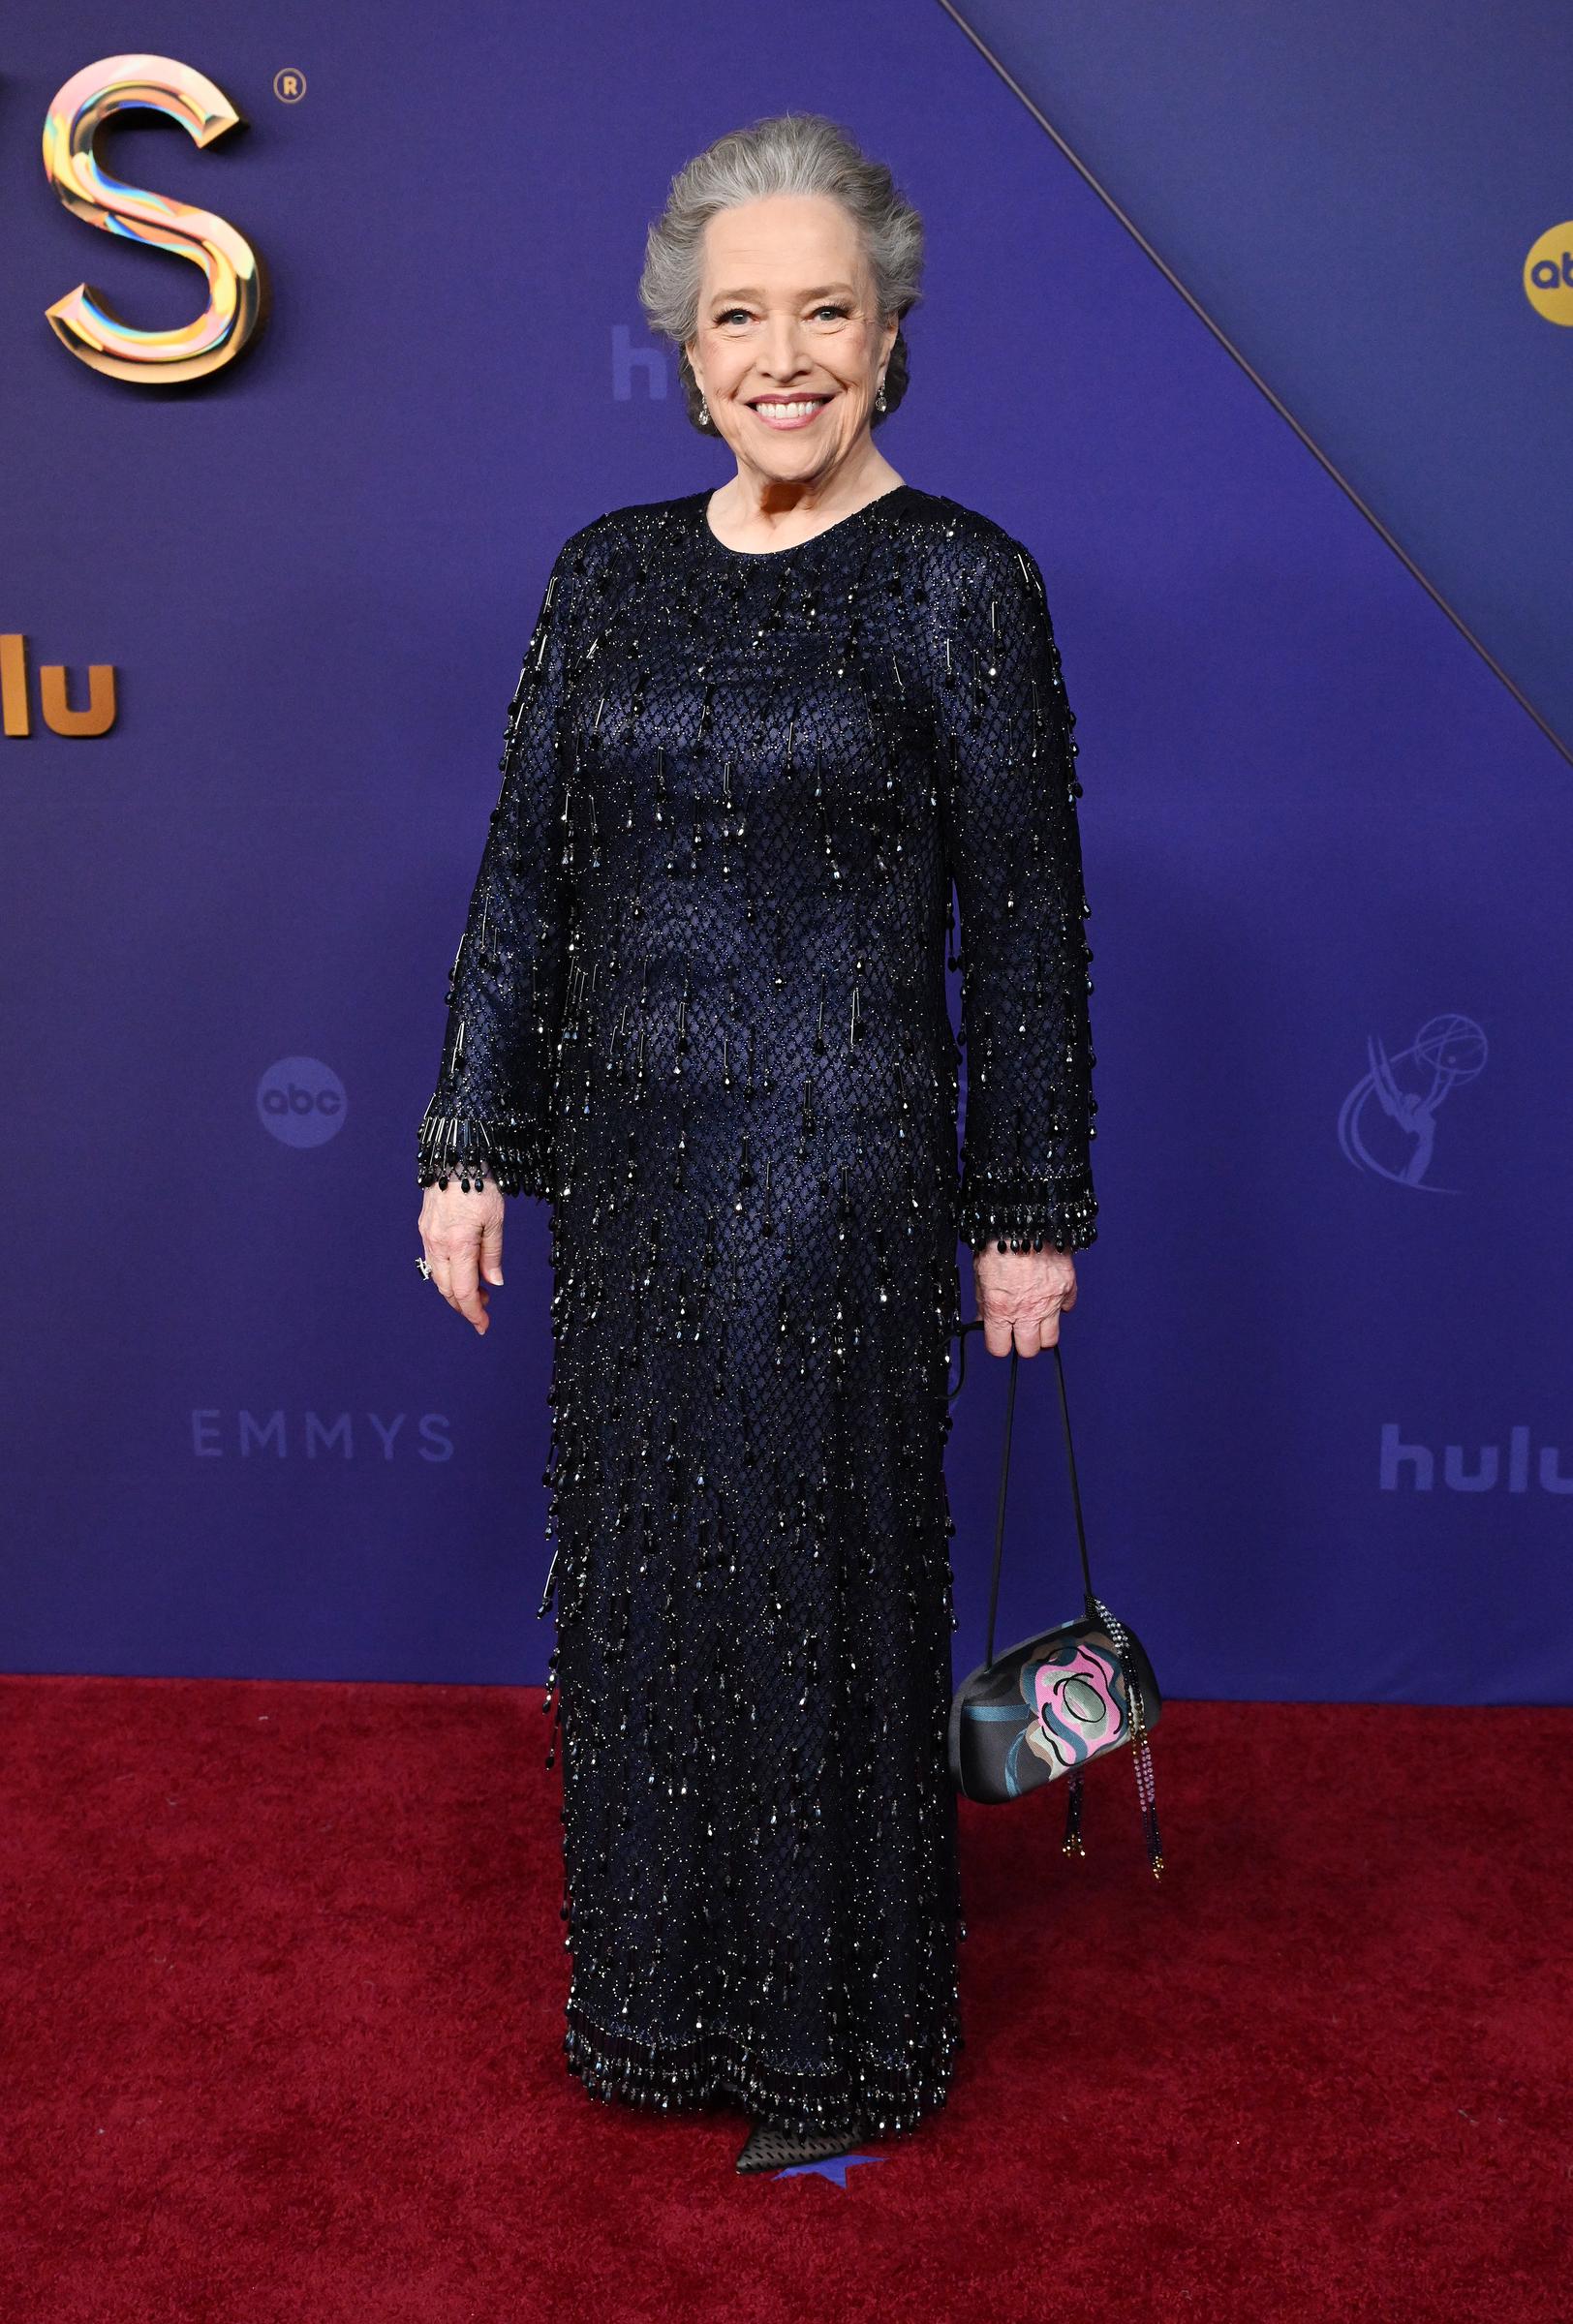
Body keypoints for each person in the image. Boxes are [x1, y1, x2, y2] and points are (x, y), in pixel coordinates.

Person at [414, 111, 1097, 2176]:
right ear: (682, 350)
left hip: (843, 1192)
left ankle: (834, 2043)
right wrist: (466, 1139)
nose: (779, 352)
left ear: (889, 336)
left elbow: (1030, 929)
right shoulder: (605, 574)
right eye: (737, 316)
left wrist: (1026, 1209)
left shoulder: (962, 586)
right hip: (627, 1188)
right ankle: (654, 2013)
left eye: (824, 310)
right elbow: (524, 878)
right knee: (640, 1593)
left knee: (817, 1601)